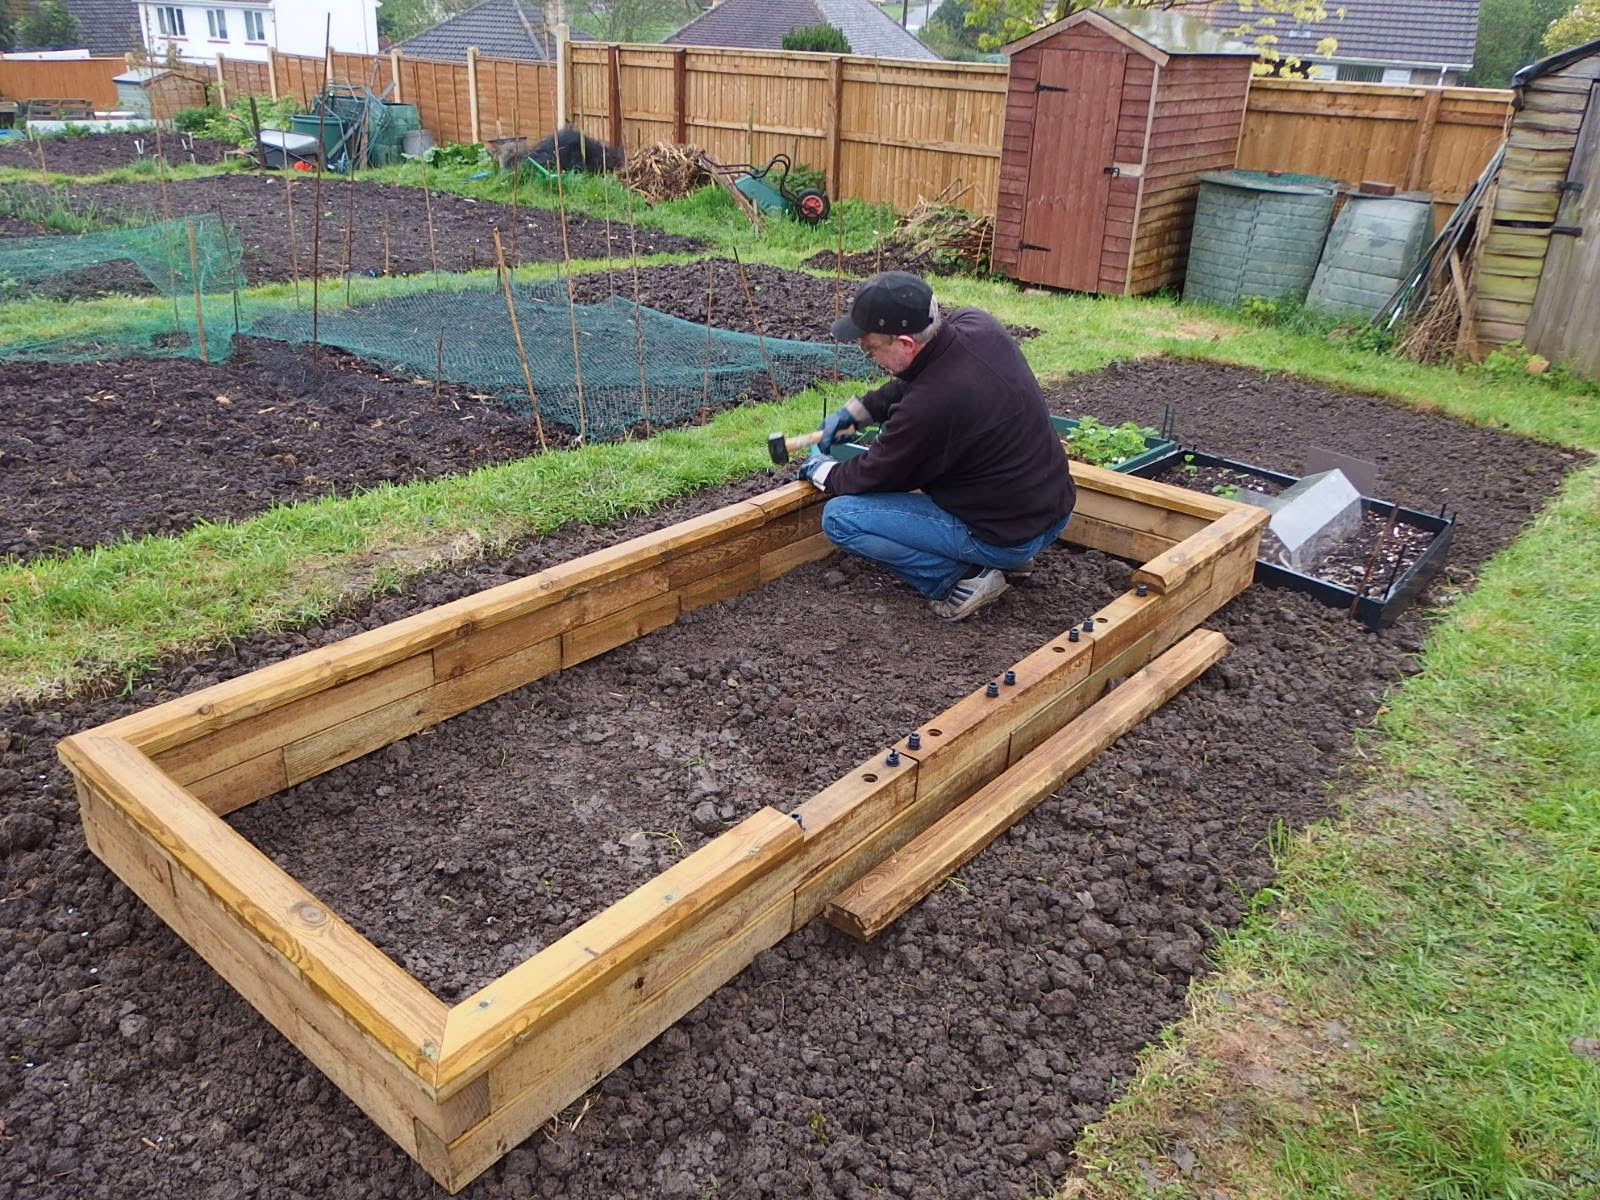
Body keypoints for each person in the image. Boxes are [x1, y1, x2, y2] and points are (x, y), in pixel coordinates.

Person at [798, 270, 1075, 621]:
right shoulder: (977, 325)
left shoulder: (931, 407)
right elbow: (919, 377)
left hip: (1006, 534)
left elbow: (876, 474)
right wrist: (859, 412)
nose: (871, 358)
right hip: (1051, 509)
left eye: (871, 350)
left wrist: (823, 470)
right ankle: (1011, 558)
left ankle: (963, 578)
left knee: (842, 518)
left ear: (905, 343)